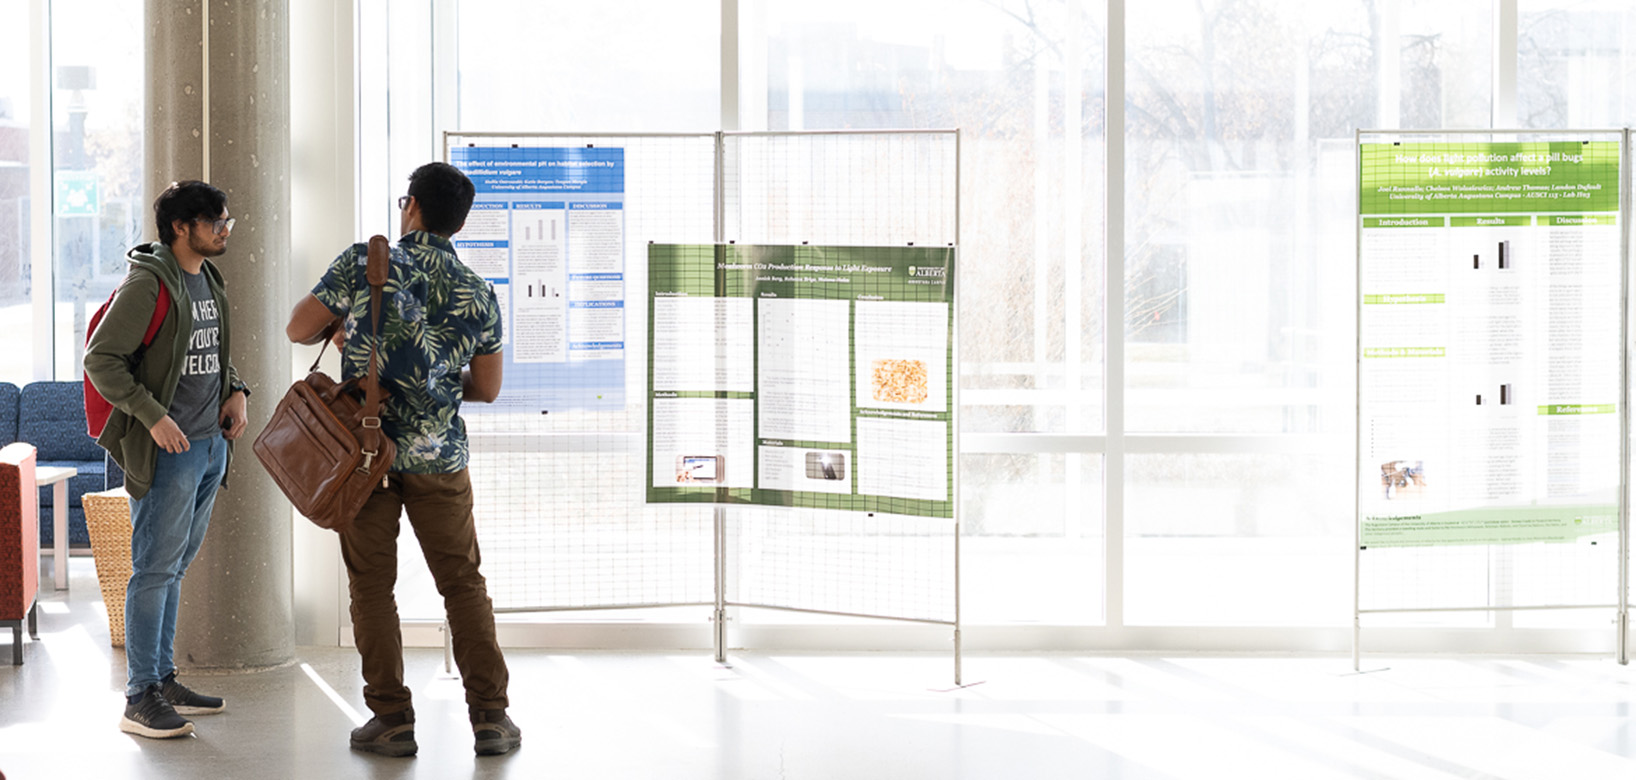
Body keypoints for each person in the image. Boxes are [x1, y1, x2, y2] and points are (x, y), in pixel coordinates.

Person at [283, 162, 519, 757]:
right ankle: (490, 718)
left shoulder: (366, 261)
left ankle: (390, 719)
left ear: (410, 206)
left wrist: (353, 346)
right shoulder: (478, 291)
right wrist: (433, 384)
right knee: (462, 585)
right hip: (439, 457)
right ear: (459, 223)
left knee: (371, 588)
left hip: (360, 456)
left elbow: (298, 328)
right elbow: (487, 388)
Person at [84, 180, 252, 739]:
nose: (226, 230)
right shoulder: (147, 286)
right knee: (152, 571)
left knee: (172, 568)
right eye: (217, 222)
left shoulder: (208, 278)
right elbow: (101, 361)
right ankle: (139, 696)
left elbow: (213, 354)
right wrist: (152, 416)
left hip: (208, 445)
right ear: (182, 226)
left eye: (228, 220)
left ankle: (162, 677)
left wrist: (237, 389)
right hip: (168, 448)